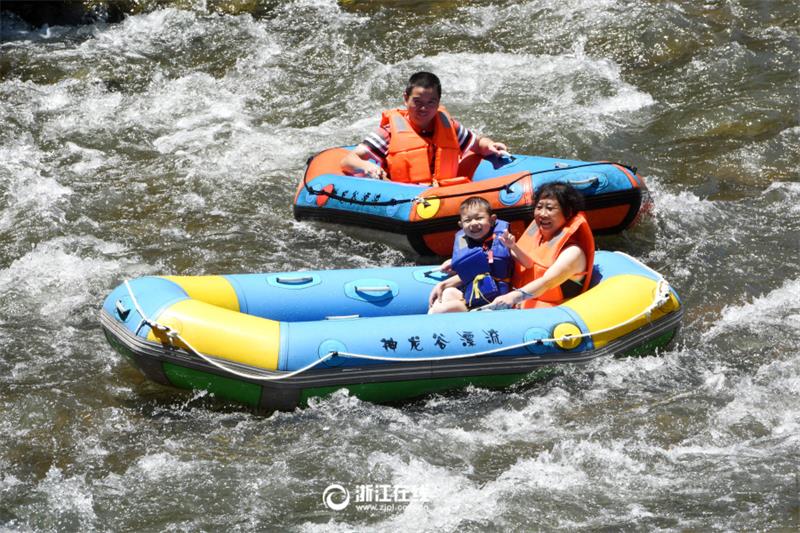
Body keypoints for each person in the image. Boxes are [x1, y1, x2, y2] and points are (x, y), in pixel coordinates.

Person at [340, 71, 509, 185]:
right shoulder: (389, 132)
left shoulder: (449, 126)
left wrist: (490, 145)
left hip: (443, 196)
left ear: (438, 102)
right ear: (406, 99)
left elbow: (477, 144)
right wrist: (367, 166)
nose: (423, 109)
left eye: (430, 103)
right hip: (404, 197)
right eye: (417, 102)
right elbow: (348, 160)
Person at [484, 182, 595, 310]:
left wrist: (513, 297)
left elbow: (547, 281)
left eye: (550, 208)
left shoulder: (572, 252)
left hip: (549, 311)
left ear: (568, 213)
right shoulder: (537, 237)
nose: (542, 214)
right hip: (518, 299)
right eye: (539, 207)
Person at [428, 197, 530, 313]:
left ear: (492, 220)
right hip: (471, 297)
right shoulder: (468, 246)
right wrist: (443, 283)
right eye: (468, 220)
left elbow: (528, 264)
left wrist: (513, 246)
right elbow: (470, 275)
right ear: (461, 225)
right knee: (447, 293)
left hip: (493, 304)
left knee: (441, 310)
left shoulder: (502, 242)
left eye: (479, 218)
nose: (474, 223)